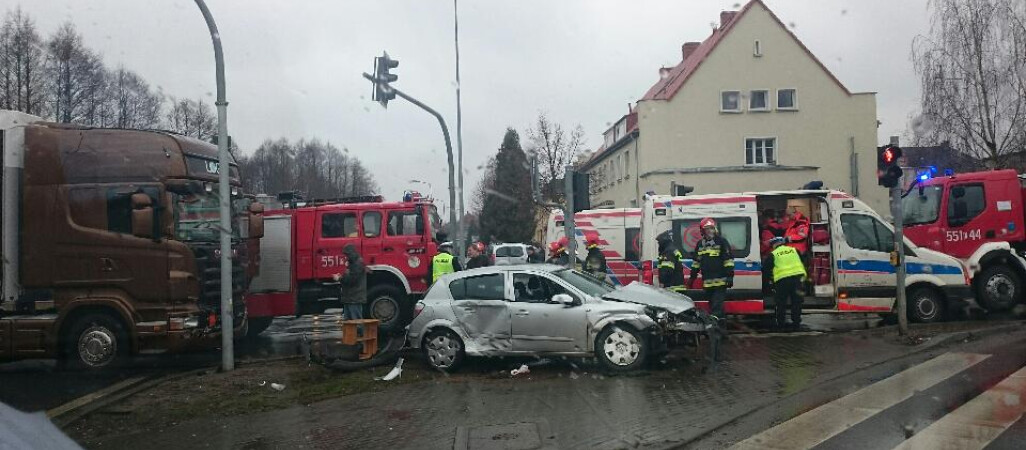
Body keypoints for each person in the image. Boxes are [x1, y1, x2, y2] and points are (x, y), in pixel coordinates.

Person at [688, 218, 734, 321]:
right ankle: (721, 328)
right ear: (702, 231)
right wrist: (692, 278)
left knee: (716, 309)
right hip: (708, 282)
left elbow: (728, 260)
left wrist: (730, 276)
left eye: (711, 228)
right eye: (707, 229)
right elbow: (696, 263)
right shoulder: (700, 244)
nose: (710, 231)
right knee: (715, 308)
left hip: (720, 282)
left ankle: (715, 328)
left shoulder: (721, 242)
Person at [764, 236, 807, 331]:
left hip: (782, 281)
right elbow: (803, 262)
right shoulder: (795, 250)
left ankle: (781, 325)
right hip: (798, 279)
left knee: (781, 303)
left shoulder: (773, 254)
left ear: (774, 245)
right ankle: (796, 324)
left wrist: (768, 284)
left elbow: (766, 270)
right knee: (796, 302)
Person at [334, 244, 367, 321]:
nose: (345, 257)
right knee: (349, 322)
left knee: (355, 321)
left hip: (354, 297)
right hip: (350, 297)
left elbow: (352, 280)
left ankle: (359, 330)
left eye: (346, 255)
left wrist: (340, 278)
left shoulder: (357, 264)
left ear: (350, 254)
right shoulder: (354, 263)